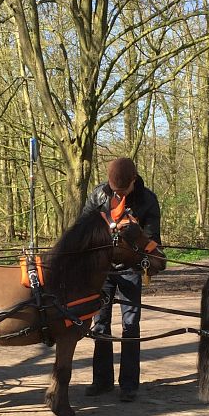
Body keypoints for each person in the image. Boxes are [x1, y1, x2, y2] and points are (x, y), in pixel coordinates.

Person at [81, 157, 162, 402]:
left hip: (131, 269)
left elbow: (153, 238)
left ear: (133, 181)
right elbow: (83, 227)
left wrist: (134, 232)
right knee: (100, 324)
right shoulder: (98, 195)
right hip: (103, 270)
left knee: (130, 326)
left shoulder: (148, 199)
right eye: (113, 189)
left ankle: (129, 385)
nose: (117, 194)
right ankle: (102, 381)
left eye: (122, 190)